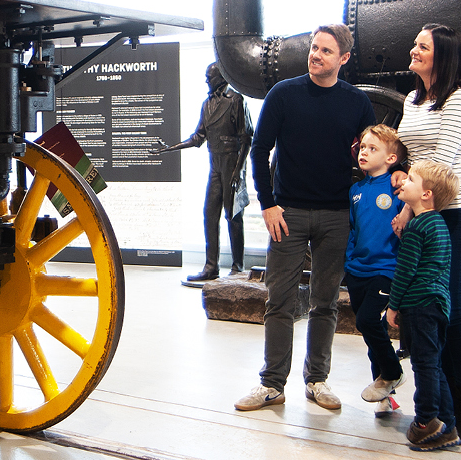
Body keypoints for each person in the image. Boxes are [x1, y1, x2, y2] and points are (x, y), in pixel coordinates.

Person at [234, 25, 375, 412]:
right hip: (288, 214)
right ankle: (272, 384)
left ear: (343, 59)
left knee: (325, 303)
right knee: (278, 301)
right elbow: (259, 149)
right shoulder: (284, 94)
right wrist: (267, 203)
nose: (316, 55)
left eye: (326, 51)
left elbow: (372, 157)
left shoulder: (357, 103)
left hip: (336, 216)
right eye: (314, 48)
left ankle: (317, 380)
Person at [394, 23, 461, 443]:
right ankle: (440, 406)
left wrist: (411, 209)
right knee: (427, 308)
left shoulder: (458, 99)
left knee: (451, 305)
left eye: (422, 46)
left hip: (454, 213)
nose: (414, 50)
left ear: (441, 56)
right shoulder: (413, 98)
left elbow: (444, 164)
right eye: (415, 44)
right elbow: (411, 154)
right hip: (420, 207)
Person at [154, 63, 253, 286]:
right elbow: (198, 137)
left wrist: (238, 171)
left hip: (232, 163)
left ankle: (238, 267)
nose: (206, 81)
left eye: (209, 77)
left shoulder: (235, 100)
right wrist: (170, 148)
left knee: (233, 215)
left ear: (220, 77)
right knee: (210, 214)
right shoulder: (207, 104)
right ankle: (211, 267)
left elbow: (247, 137)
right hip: (215, 164)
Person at [386, 159, 460, 451]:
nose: (404, 182)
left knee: (423, 364)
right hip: (439, 304)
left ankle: (426, 420)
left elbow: (405, 271)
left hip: (419, 305)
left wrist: (393, 306)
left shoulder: (417, 227)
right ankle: (447, 424)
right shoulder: (438, 224)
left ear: (426, 194)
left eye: (411, 180)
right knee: (435, 363)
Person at [346, 124, 408, 416]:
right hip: (357, 270)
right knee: (373, 334)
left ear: (391, 159)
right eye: (363, 147)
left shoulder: (398, 188)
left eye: (373, 149)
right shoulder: (355, 190)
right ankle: (384, 392)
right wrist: (349, 260)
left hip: (385, 269)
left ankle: (393, 372)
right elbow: (354, 229)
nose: (364, 152)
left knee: (368, 321)